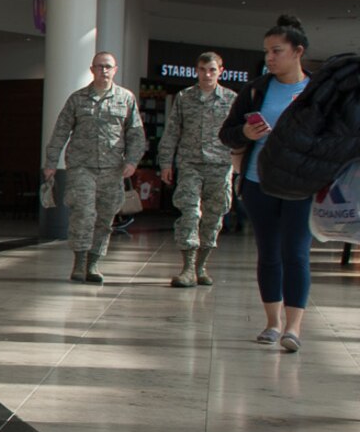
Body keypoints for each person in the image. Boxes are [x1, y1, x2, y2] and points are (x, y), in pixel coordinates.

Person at [221, 15, 315, 353]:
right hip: (259, 182)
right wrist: (244, 133)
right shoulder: (256, 89)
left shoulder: (316, 91)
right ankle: (272, 322)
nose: (270, 58)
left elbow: (336, 137)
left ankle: (293, 327)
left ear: (298, 51)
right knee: (269, 253)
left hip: (300, 185)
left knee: (296, 252)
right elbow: (227, 132)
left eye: (277, 51)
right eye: (266, 52)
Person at [43, 52, 144, 285]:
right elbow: (60, 131)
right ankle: (79, 262)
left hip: (112, 168)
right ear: (92, 69)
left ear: (115, 69)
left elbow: (135, 133)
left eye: (108, 67)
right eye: (99, 67)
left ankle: (94, 262)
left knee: (105, 217)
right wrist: (50, 163)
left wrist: (132, 161)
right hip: (81, 167)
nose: (103, 71)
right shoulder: (77, 99)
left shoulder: (126, 98)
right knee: (83, 214)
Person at [158, 51, 237, 288]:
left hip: (220, 166)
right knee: (190, 214)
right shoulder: (184, 98)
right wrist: (165, 163)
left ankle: (201, 266)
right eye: (202, 70)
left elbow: (239, 134)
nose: (207, 74)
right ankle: (188, 268)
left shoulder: (232, 99)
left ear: (220, 71)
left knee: (213, 218)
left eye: (212, 70)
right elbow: (172, 131)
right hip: (190, 164)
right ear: (197, 71)